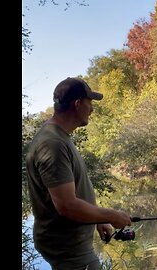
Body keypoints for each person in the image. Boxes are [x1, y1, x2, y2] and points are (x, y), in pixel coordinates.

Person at [25, 77, 132, 270]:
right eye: (89, 103)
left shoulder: (60, 137)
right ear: (77, 104)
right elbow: (67, 206)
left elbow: (73, 190)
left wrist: (99, 220)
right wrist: (112, 215)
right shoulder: (53, 144)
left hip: (72, 247)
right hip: (68, 251)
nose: (91, 109)